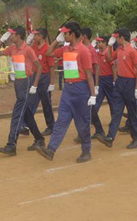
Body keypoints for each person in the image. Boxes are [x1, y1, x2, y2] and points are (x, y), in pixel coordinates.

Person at [35, 22, 94, 162]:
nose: (63, 36)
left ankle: (86, 151)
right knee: (61, 120)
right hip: (68, 89)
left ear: (72, 34)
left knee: (82, 124)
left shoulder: (84, 51)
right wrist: (57, 40)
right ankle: (51, 150)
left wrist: (93, 95)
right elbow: (49, 53)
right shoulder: (65, 49)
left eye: (65, 34)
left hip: (81, 89)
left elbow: (89, 74)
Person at [0, 26, 45, 156]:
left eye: (13, 34)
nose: (11, 36)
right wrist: (1, 41)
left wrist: (34, 85)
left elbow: (39, 67)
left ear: (19, 36)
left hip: (27, 82)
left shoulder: (27, 50)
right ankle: (39, 139)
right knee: (26, 113)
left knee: (17, 114)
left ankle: (11, 144)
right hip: (18, 82)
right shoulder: (12, 48)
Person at [98, 28, 137, 149]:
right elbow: (109, 59)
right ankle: (110, 137)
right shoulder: (118, 49)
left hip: (130, 82)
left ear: (122, 38)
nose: (115, 39)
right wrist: (110, 46)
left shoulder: (132, 51)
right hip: (120, 81)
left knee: (132, 112)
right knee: (117, 110)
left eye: (116, 37)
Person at [29, 28, 56, 136]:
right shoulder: (34, 47)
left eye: (36, 35)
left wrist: (52, 83)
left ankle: (51, 126)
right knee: (31, 101)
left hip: (45, 77)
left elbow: (52, 67)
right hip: (35, 76)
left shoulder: (47, 48)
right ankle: (27, 124)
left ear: (42, 36)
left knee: (46, 103)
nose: (34, 37)